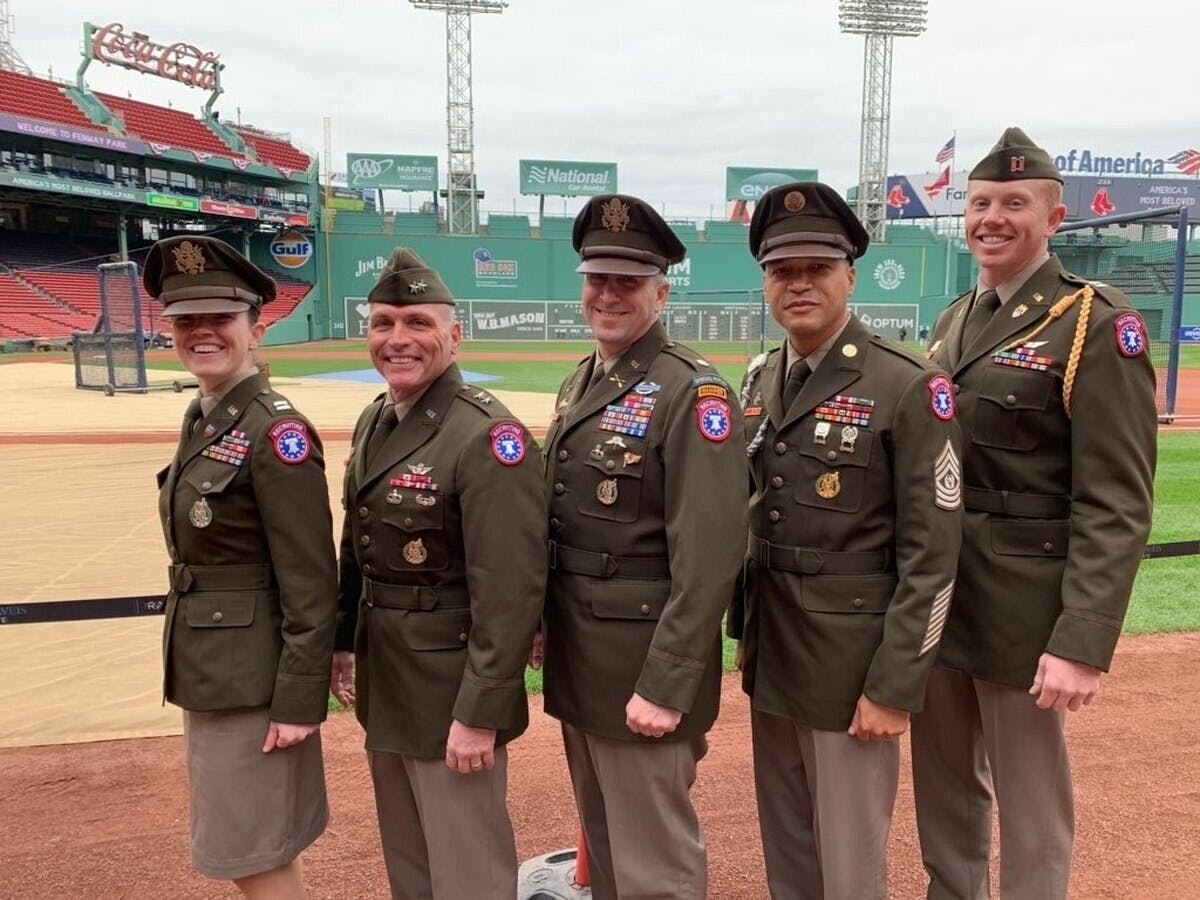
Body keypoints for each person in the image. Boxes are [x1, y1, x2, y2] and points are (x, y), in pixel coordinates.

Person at [911, 127, 1158, 900]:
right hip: (942, 601)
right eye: (980, 203)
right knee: (945, 793)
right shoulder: (955, 319)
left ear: (1053, 218)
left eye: (1014, 204)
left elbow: (1117, 500)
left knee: (1031, 809)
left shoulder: (1093, 321)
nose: (992, 218)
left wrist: (1081, 641)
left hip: (1025, 611)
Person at [729, 182, 964, 900]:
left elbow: (933, 554)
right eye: (782, 271)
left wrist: (894, 686)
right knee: (789, 850)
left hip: (852, 667)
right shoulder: (761, 378)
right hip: (773, 653)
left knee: (849, 862)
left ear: (850, 277)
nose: (798, 285)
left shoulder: (907, 384)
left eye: (817, 269)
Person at [539, 194, 747, 900]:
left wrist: (668, 681)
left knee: (655, 867)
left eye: (627, 282)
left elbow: (711, 555)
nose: (608, 294)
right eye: (597, 279)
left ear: (661, 293)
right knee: (605, 853)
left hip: (642, 668)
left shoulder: (692, 391)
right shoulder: (582, 380)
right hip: (583, 661)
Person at [331, 247, 546, 900]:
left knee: (469, 872)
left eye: (418, 323)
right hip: (390, 681)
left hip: (452, 693)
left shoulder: (486, 436)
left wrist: (481, 711)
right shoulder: (377, 418)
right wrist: (342, 641)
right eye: (383, 323)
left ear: (455, 337)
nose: (398, 339)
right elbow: (358, 542)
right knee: (412, 868)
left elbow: (510, 589)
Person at [145, 235, 337, 899]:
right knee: (257, 841)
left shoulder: (274, 432)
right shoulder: (206, 415)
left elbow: (311, 580)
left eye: (220, 319)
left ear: (256, 328)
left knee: (250, 849)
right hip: (214, 669)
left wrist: (299, 698)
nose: (202, 332)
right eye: (186, 320)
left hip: (253, 681)